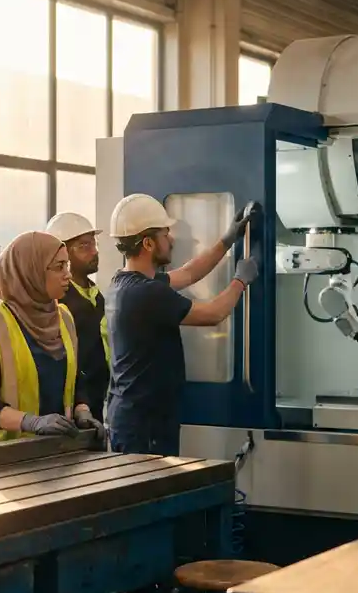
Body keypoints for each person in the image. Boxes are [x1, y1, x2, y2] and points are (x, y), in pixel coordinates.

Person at [105, 193, 259, 455]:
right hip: (144, 426)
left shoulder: (124, 283)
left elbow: (189, 273)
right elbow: (212, 314)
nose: (172, 239)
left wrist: (227, 240)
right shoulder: (147, 293)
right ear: (148, 243)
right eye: (165, 234)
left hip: (138, 418)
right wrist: (240, 281)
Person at [0, 231, 106, 444]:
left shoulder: (63, 317)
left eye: (67, 265)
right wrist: (31, 422)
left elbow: (74, 378)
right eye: (58, 267)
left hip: (53, 451)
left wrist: (82, 411)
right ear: (31, 271)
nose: (67, 274)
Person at [46, 212, 109, 424]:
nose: (94, 251)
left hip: (98, 400)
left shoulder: (96, 295)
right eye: (84, 246)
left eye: (94, 243)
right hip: (72, 407)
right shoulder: (60, 300)